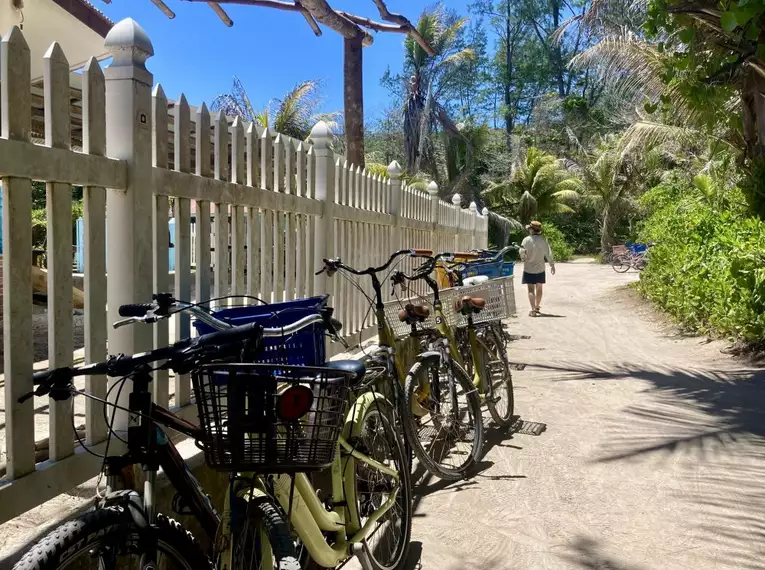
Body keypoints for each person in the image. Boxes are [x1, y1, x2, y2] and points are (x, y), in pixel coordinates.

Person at [519, 220, 555, 317]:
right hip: (540, 268)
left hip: (528, 268)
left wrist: (523, 258)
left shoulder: (526, 240)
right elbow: (548, 253)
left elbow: (522, 251)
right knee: (539, 288)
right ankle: (537, 306)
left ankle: (533, 310)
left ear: (531, 230)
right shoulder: (543, 240)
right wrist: (552, 264)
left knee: (530, 290)